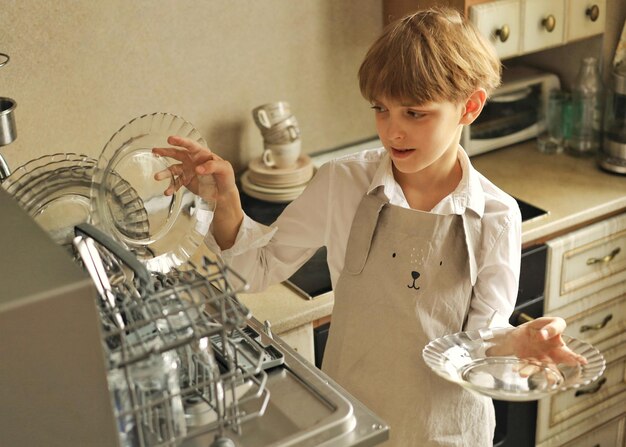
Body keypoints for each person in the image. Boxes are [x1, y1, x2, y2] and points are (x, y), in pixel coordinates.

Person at [153, 7, 585, 446]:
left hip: (446, 430)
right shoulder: (342, 182)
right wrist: (225, 200)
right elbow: (257, 267)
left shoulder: (496, 217)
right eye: (381, 109)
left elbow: (479, 344)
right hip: (353, 420)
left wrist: (516, 343)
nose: (392, 131)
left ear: (469, 107)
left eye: (415, 113)